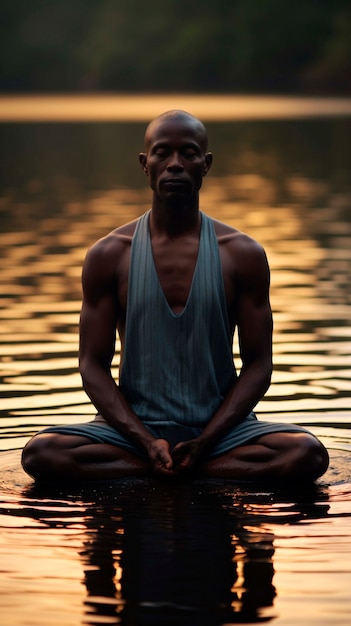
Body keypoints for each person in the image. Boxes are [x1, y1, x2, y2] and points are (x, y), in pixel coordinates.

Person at [21, 110, 329, 483]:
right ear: (144, 164)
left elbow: (259, 365)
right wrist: (146, 440)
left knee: (306, 453)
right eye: (163, 153)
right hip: (130, 433)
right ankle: (177, 468)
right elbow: (91, 365)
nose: (175, 165)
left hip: (222, 434)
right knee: (43, 453)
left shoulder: (242, 254)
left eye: (189, 154)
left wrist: (205, 440)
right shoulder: (109, 254)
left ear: (206, 164)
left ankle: (180, 468)